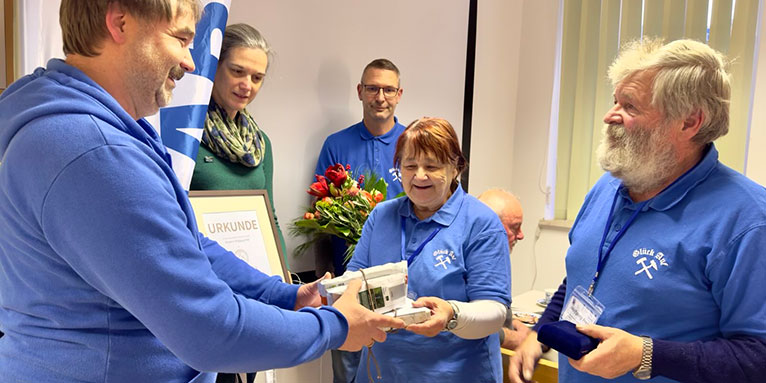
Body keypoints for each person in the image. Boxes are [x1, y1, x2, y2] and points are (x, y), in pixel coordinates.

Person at [0, 1, 403, 382]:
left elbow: (187, 244)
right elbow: (210, 330)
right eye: (179, 38)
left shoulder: (90, 127)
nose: (190, 63)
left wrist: (287, 296)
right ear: (120, 21)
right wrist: (335, 326)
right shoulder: (94, 150)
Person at [509, 39, 766, 383]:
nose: (609, 115)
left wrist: (646, 355)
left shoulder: (746, 220)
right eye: (615, 100)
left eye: (629, 106)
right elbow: (583, 276)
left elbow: (757, 355)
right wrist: (540, 333)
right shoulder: (608, 186)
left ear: (689, 122)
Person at [347, 117, 512, 383]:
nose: (419, 176)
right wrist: (334, 292)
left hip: (454, 373)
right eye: (410, 165)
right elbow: (355, 277)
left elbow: (494, 312)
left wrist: (452, 314)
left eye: (431, 166)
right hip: (383, 371)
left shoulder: (480, 222)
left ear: (455, 167)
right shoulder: (381, 216)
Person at [313, 58, 406, 383]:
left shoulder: (412, 144)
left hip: (403, 283)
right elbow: (321, 213)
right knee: (348, 373)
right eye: (372, 88)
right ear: (360, 92)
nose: (380, 96)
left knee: (398, 369)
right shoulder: (336, 145)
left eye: (388, 89)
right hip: (349, 282)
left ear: (399, 94)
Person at [190, 23, 287, 260]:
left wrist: (284, 278)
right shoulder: (187, 135)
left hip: (256, 276)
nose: (247, 85)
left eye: (257, 78)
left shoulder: (260, 143)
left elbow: (270, 217)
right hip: (204, 273)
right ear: (214, 67)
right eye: (237, 71)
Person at [478, 189, 530, 350]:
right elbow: (458, 324)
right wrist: (512, 338)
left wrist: (509, 322)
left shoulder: (492, 259)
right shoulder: (468, 260)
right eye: (515, 227)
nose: (521, 235)